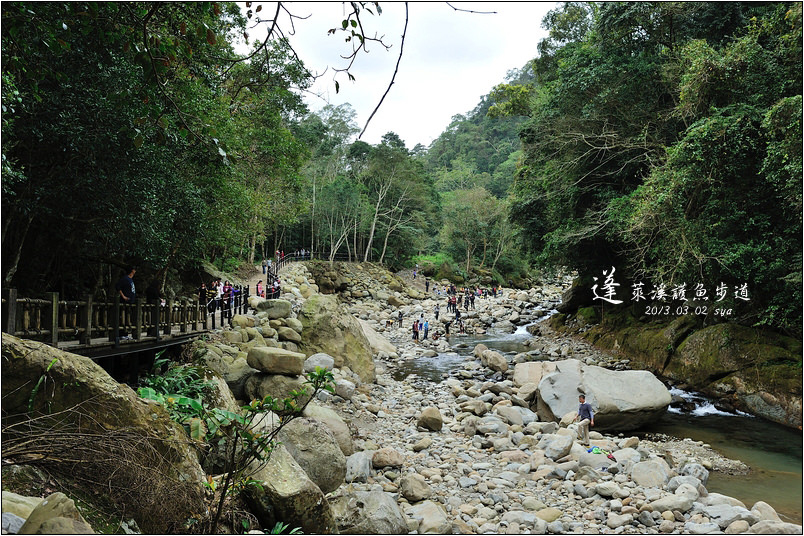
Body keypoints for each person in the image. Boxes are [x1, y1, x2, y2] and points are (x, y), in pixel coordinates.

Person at [115, 266, 137, 339]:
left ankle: (126, 333)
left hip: (130, 302)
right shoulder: (125, 279)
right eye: (134, 270)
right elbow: (118, 286)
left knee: (128, 318)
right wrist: (123, 296)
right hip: (125, 302)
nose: (135, 271)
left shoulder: (131, 279)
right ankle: (122, 334)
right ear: (131, 271)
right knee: (123, 318)